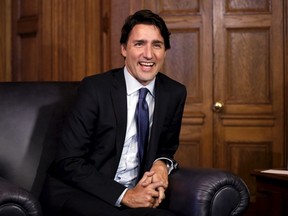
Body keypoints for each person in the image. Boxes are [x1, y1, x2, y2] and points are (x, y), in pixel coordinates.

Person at [40, 9, 187, 216]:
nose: (148, 54)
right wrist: (125, 195)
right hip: (81, 192)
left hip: (138, 192)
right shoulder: (95, 89)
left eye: (157, 45)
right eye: (139, 44)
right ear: (124, 49)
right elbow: (69, 160)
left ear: (165, 51)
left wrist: (161, 164)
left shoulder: (174, 93)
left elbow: (167, 147)